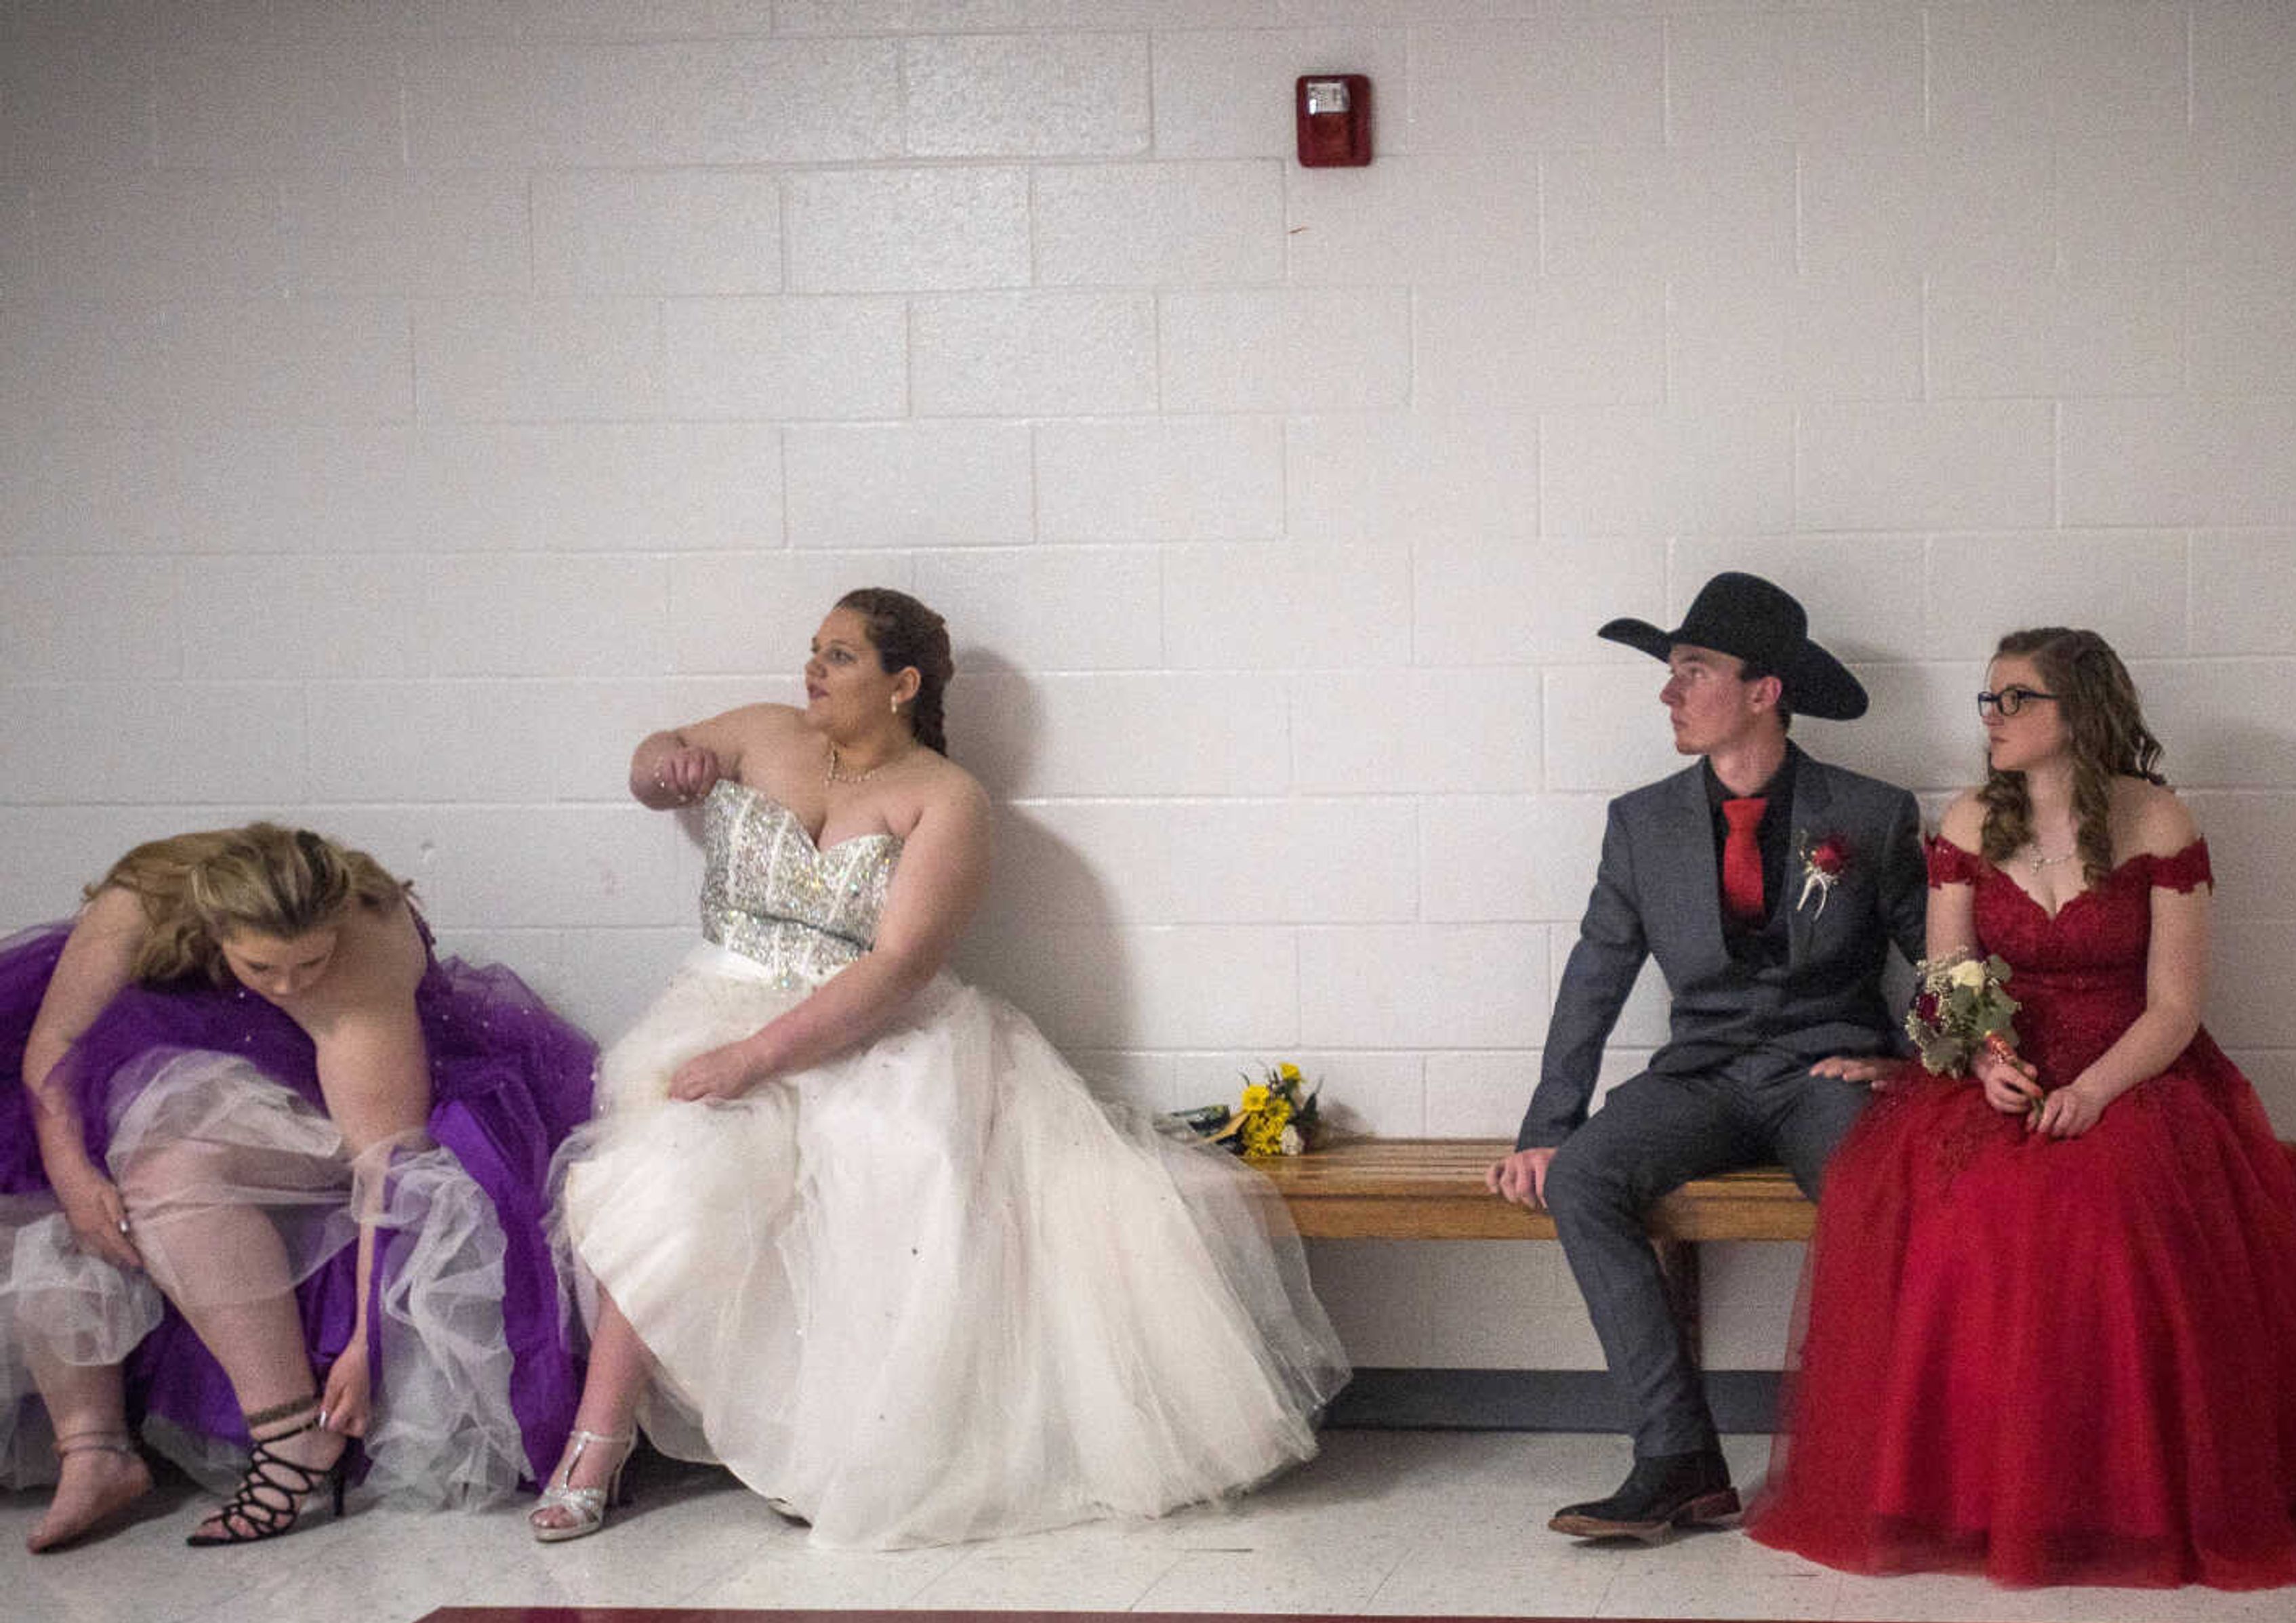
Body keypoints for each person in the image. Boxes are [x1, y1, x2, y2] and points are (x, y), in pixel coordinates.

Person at [537, 587, 1347, 1548]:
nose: (813, 670)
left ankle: (837, 1453)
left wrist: (757, 1058)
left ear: (902, 683)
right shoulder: (762, 732)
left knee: (898, 1159)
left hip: (868, 1027)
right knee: (674, 1166)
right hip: (719, 997)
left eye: (839, 656)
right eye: (814, 650)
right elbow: (652, 756)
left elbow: (897, 967)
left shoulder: (947, 800)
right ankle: (598, 1440)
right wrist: (660, 766)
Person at [1743, 628, 2296, 1588]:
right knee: (1954, 1214)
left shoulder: (2158, 820)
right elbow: (1943, 980)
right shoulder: (1973, 820)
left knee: (2110, 1213)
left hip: (2136, 1070)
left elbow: (2177, 1007)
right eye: (1987, 700)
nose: (1993, 719)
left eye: (2015, 699)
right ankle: (1964, 1491)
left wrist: (2097, 1088)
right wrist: (1985, 1059)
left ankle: (2115, 1499)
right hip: (2003, 1065)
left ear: (2079, 712)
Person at [1, 825, 593, 1548]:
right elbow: (53, 1046)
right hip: (178, 1063)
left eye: (307, 961)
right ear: (214, 927)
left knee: (165, 1165)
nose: (286, 984)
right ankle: (93, 1447)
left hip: (329, 1098)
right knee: (53, 1161)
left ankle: (289, 1435)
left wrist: (366, 1346)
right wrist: (72, 1172)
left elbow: (383, 1164)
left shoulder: (362, 955)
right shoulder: (144, 901)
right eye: (261, 966)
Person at [1488, 571, 1927, 1539]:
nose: (1670, 692)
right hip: (1705, 1074)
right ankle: (1678, 1459)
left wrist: (1914, 1065)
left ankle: (1886, 1463)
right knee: (1585, 1179)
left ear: (1764, 691)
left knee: (1876, 1191)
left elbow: (1944, 958)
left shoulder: (1871, 813)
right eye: (1672, 670)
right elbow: (1595, 975)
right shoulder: (1641, 824)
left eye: (1693, 670)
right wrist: (1549, 1129)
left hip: (1828, 1069)